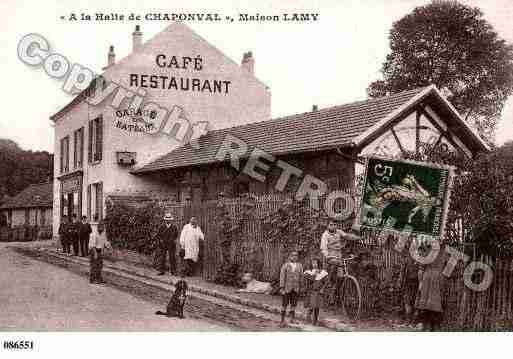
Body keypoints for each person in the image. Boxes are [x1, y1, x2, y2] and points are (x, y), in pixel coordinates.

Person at [320, 219, 361, 284]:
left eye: (335, 225)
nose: (333, 226)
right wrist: (327, 255)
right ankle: (328, 283)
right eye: (331, 225)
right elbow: (323, 248)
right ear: (327, 226)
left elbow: (347, 236)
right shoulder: (325, 235)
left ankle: (337, 291)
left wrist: (358, 238)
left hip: (338, 256)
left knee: (341, 276)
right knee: (333, 269)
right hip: (329, 257)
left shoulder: (338, 232)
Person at [415, 246, 445, 331]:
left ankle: (427, 325)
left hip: (427, 278)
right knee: (434, 302)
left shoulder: (426, 253)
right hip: (437, 278)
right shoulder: (441, 253)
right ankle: (434, 325)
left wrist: (420, 282)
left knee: (425, 302)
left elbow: (421, 269)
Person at [279, 251, 303, 328]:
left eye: (296, 255)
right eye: (292, 255)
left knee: (293, 304)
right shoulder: (285, 265)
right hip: (287, 288)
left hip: (295, 288)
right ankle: (282, 320)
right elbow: (282, 276)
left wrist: (301, 287)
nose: (294, 257)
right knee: (284, 304)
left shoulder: (300, 266)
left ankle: (292, 319)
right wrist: (282, 287)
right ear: (290, 256)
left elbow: (301, 277)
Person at [303, 258, 328, 325]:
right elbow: (308, 281)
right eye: (313, 263)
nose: (314, 264)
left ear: (318, 263)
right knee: (311, 306)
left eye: (315, 263)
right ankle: (308, 319)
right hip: (311, 292)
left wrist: (323, 288)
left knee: (317, 307)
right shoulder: (309, 272)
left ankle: (315, 321)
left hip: (319, 292)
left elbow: (326, 282)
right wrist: (314, 274)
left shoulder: (323, 273)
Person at [89, 214, 111, 284]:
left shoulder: (103, 234)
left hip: (100, 250)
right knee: (94, 265)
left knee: (100, 265)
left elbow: (105, 242)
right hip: (94, 250)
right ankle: (92, 279)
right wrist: (95, 254)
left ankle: (99, 278)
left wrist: (108, 247)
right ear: (98, 227)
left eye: (103, 226)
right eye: (101, 227)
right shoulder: (94, 234)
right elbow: (92, 246)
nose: (103, 228)